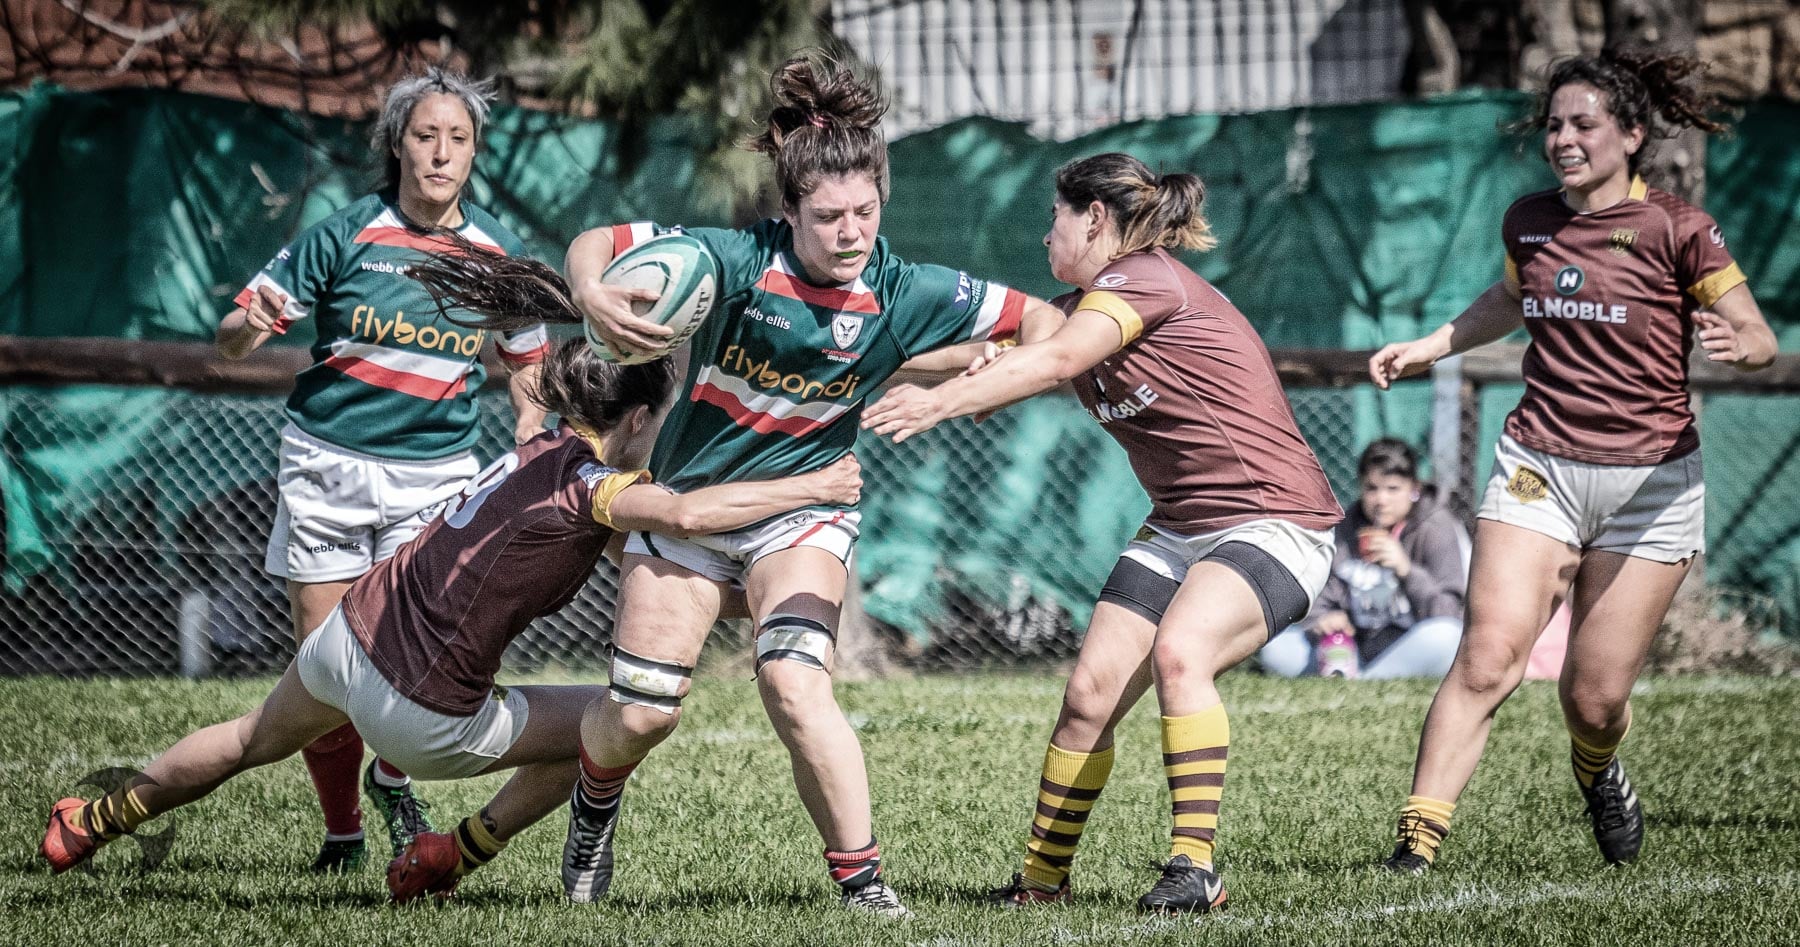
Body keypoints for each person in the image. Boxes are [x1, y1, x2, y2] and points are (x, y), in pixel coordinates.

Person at [430, 52, 1063, 915]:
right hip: (688, 507)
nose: (851, 232)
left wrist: (966, 387)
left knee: (795, 680)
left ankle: (863, 881)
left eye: (866, 212)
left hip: (803, 509)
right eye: (830, 216)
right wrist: (589, 290)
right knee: (643, 713)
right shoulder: (731, 260)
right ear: (789, 211)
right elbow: (598, 244)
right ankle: (595, 804)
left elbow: (1052, 327)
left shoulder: (908, 289)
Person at [39, 340, 865, 903]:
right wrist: (813, 490)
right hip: (417, 710)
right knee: (614, 718)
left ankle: (91, 821)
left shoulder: (536, 446)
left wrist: (742, 591)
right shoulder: (596, 485)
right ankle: (454, 853)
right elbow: (683, 516)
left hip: (351, 637)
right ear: (640, 419)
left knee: (251, 736)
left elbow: (643, 558)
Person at [863, 152, 1343, 913]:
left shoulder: (1144, 279)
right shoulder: (1083, 306)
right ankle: (1041, 884)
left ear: (1094, 217)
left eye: (1054, 216)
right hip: (1181, 526)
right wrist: (862, 363)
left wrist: (939, 405)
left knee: (1182, 652)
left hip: (1275, 519)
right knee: (1088, 693)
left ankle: (1194, 868)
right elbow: (1003, 351)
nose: (1045, 232)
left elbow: (1052, 356)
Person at [1366, 48, 1778, 874]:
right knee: (1487, 655)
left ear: (1630, 133)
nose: (1563, 138)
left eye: (1583, 124)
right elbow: (1511, 299)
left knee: (1592, 699)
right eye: (1554, 124)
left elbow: (1760, 336)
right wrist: (1431, 346)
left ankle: (1598, 769)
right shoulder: (1528, 219)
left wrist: (1742, 344)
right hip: (1538, 466)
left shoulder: (1679, 230)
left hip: (1651, 487)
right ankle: (1416, 845)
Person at [213, 67, 550, 873]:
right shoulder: (342, 234)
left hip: (436, 478)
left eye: (458, 138)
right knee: (323, 665)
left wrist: (532, 429)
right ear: (396, 141)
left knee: (421, 659)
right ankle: (342, 832)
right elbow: (233, 332)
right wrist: (243, 326)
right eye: (426, 134)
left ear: (474, 154)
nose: (441, 152)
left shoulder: (498, 253)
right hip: (325, 466)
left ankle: (394, 779)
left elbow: (530, 363)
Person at [1260, 438, 1467, 679]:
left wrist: (1406, 570)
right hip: (1353, 647)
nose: (1381, 500)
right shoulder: (1347, 528)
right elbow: (1320, 594)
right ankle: (1353, 672)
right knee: (1275, 649)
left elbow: (1448, 612)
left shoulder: (1436, 527)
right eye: (1372, 488)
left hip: (1409, 647)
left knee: (1447, 638)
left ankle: (1362, 679)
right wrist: (1323, 620)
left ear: (1414, 490)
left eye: (1393, 489)